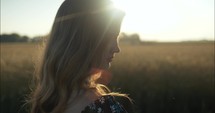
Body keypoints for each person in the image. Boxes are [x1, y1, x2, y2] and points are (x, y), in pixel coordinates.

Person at [28, 0, 134, 113]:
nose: (117, 48)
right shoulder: (105, 107)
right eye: (110, 37)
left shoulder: (46, 103)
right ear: (84, 41)